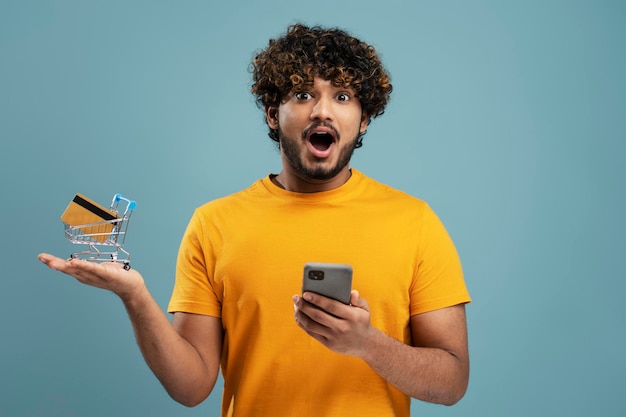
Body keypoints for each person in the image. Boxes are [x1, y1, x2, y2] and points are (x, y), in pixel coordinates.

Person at [39, 23, 471, 417]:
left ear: (363, 121)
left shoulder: (413, 222)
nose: (323, 111)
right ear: (271, 112)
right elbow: (191, 387)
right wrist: (134, 297)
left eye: (342, 97)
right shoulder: (214, 224)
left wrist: (366, 344)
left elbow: (451, 383)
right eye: (303, 95)